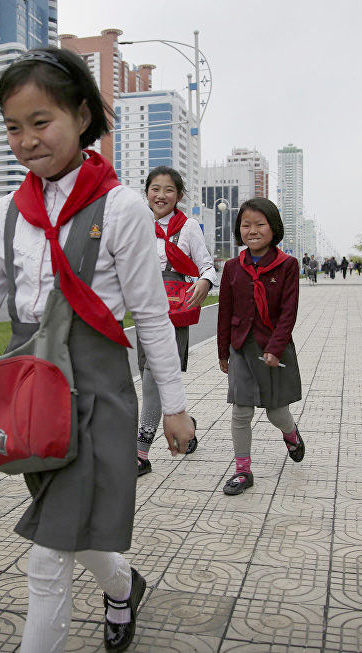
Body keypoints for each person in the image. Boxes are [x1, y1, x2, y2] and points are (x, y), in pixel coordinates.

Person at [0, 47, 195, 653]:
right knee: (71, 527)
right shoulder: (6, 214)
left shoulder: (123, 207)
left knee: (48, 555)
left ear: (80, 115)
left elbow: (151, 316)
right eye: (13, 127)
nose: (25, 139)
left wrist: (174, 405)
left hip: (99, 394)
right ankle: (124, 588)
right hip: (34, 396)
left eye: (40, 121)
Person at [217, 198, 304, 497]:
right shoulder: (232, 268)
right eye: (245, 225)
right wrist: (223, 352)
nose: (252, 230)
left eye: (259, 224)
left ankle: (291, 435)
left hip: (273, 349)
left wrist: (276, 349)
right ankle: (243, 470)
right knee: (241, 412)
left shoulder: (288, 265)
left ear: (273, 227)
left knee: (276, 413)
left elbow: (289, 313)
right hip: (241, 347)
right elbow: (224, 311)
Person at [136, 166, 216, 477]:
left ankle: (140, 453)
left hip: (173, 311)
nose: (161, 195)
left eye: (169, 190)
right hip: (144, 309)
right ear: (147, 193)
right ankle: (187, 426)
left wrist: (205, 282)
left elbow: (207, 266)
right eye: (155, 189)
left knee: (151, 377)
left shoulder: (189, 227)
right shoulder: (137, 224)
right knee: (152, 378)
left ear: (179, 196)